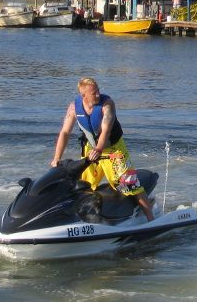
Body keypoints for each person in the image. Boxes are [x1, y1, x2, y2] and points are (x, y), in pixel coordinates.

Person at [51, 77, 155, 221]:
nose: (98, 94)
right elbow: (65, 133)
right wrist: (56, 157)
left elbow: (105, 131)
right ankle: (80, 219)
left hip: (113, 150)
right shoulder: (74, 107)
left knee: (129, 184)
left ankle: (151, 218)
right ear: (84, 96)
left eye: (98, 90)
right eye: (94, 93)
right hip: (91, 149)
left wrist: (99, 149)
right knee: (82, 185)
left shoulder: (107, 105)